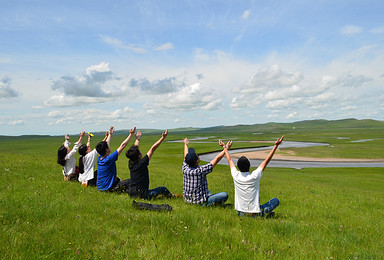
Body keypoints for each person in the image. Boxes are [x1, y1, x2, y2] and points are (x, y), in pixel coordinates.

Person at [219, 136, 284, 217]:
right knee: (275, 201)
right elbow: (266, 160)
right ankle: (263, 214)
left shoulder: (236, 175)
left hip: (240, 213)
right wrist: (276, 146)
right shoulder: (254, 176)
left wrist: (225, 147)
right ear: (249, 166)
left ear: (238, 167)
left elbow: (229, 160)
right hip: (254, 214)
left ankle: (265, 214)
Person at [182, 138, 232, 206]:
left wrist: (186, 144)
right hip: (200, 202)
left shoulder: (185, 167)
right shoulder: (200, 170)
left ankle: (209, 198)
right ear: (197, 161)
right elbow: (216, 159)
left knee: (205, 189)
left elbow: (185, 157)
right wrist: (225, 149)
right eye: (197, 156)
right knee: (224, 195)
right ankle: (209, 204)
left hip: (187, 200)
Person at [125, 130, 172, 200]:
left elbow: (135, 148)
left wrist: (138, 139)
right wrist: (163, 137)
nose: (140, 151)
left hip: (133, 194)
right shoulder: (142, 163)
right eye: (139, 151)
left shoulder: (131, 163)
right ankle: (172, 197)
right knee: (163, 189)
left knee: (149, 189)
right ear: (139, 156)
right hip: (144, 195)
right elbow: (152, 149)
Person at [96, 126, 136, 192]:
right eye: (108, 146)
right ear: (106, 150)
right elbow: (122, 146)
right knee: (131, 181)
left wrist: (110, 134)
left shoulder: (99, 158)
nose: (109, 145)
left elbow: (107, 143)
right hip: (108, 189)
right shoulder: (109, 159)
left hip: (100, 188)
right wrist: (131, 134)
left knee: (118, 179)